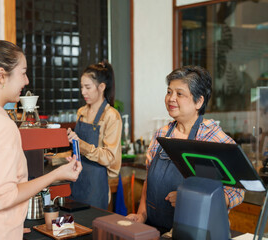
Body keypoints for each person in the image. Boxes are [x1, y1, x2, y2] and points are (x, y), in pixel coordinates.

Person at [0, 40, 82, 240]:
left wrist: (9, 224)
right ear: (1, 75)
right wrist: (56, 174)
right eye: (23, 72)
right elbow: (2, 198)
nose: (26, 81)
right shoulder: (2, 125)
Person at [126, 65, 245, 234]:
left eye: (179, 93)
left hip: (198, 232)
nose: (171, 98)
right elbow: (148, 181)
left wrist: (190, 199)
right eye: (169, 92)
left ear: (199, 101)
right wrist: (142, 215)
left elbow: (237, 191)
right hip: (155, 230)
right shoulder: (161, 135)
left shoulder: (212, 138)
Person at [66, 61, 122, 210]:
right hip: (76, 180)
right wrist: (72, 156)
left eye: (88, 87)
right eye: (82, 87)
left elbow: (110, 157)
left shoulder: (111, 116)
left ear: (102, 87)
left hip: (96, 187)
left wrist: (81, 145)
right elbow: (77, 149)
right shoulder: (81, 112)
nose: (83, 92)